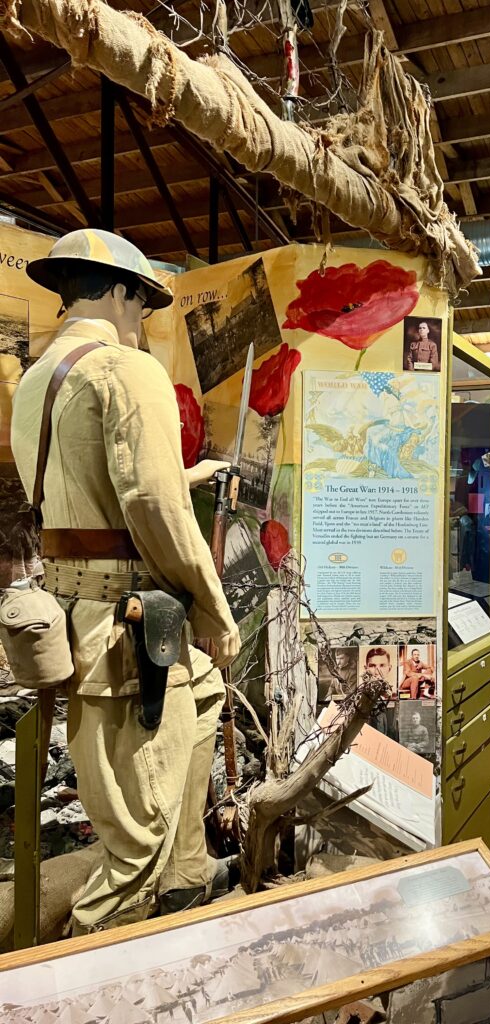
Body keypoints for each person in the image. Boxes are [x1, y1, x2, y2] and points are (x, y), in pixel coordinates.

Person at [10, 229, 242, 933]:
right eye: (141, 304)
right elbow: (152, 509)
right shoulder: (127, 370)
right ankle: (88, 972)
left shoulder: (34, 382)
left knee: (202, 698)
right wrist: (215, 610)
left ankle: (188, 875)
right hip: (127, 633)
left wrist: (190, 474)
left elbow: (89, 491)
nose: (142, 320)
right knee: (134, 839)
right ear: (120, 293)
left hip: (81, 609)